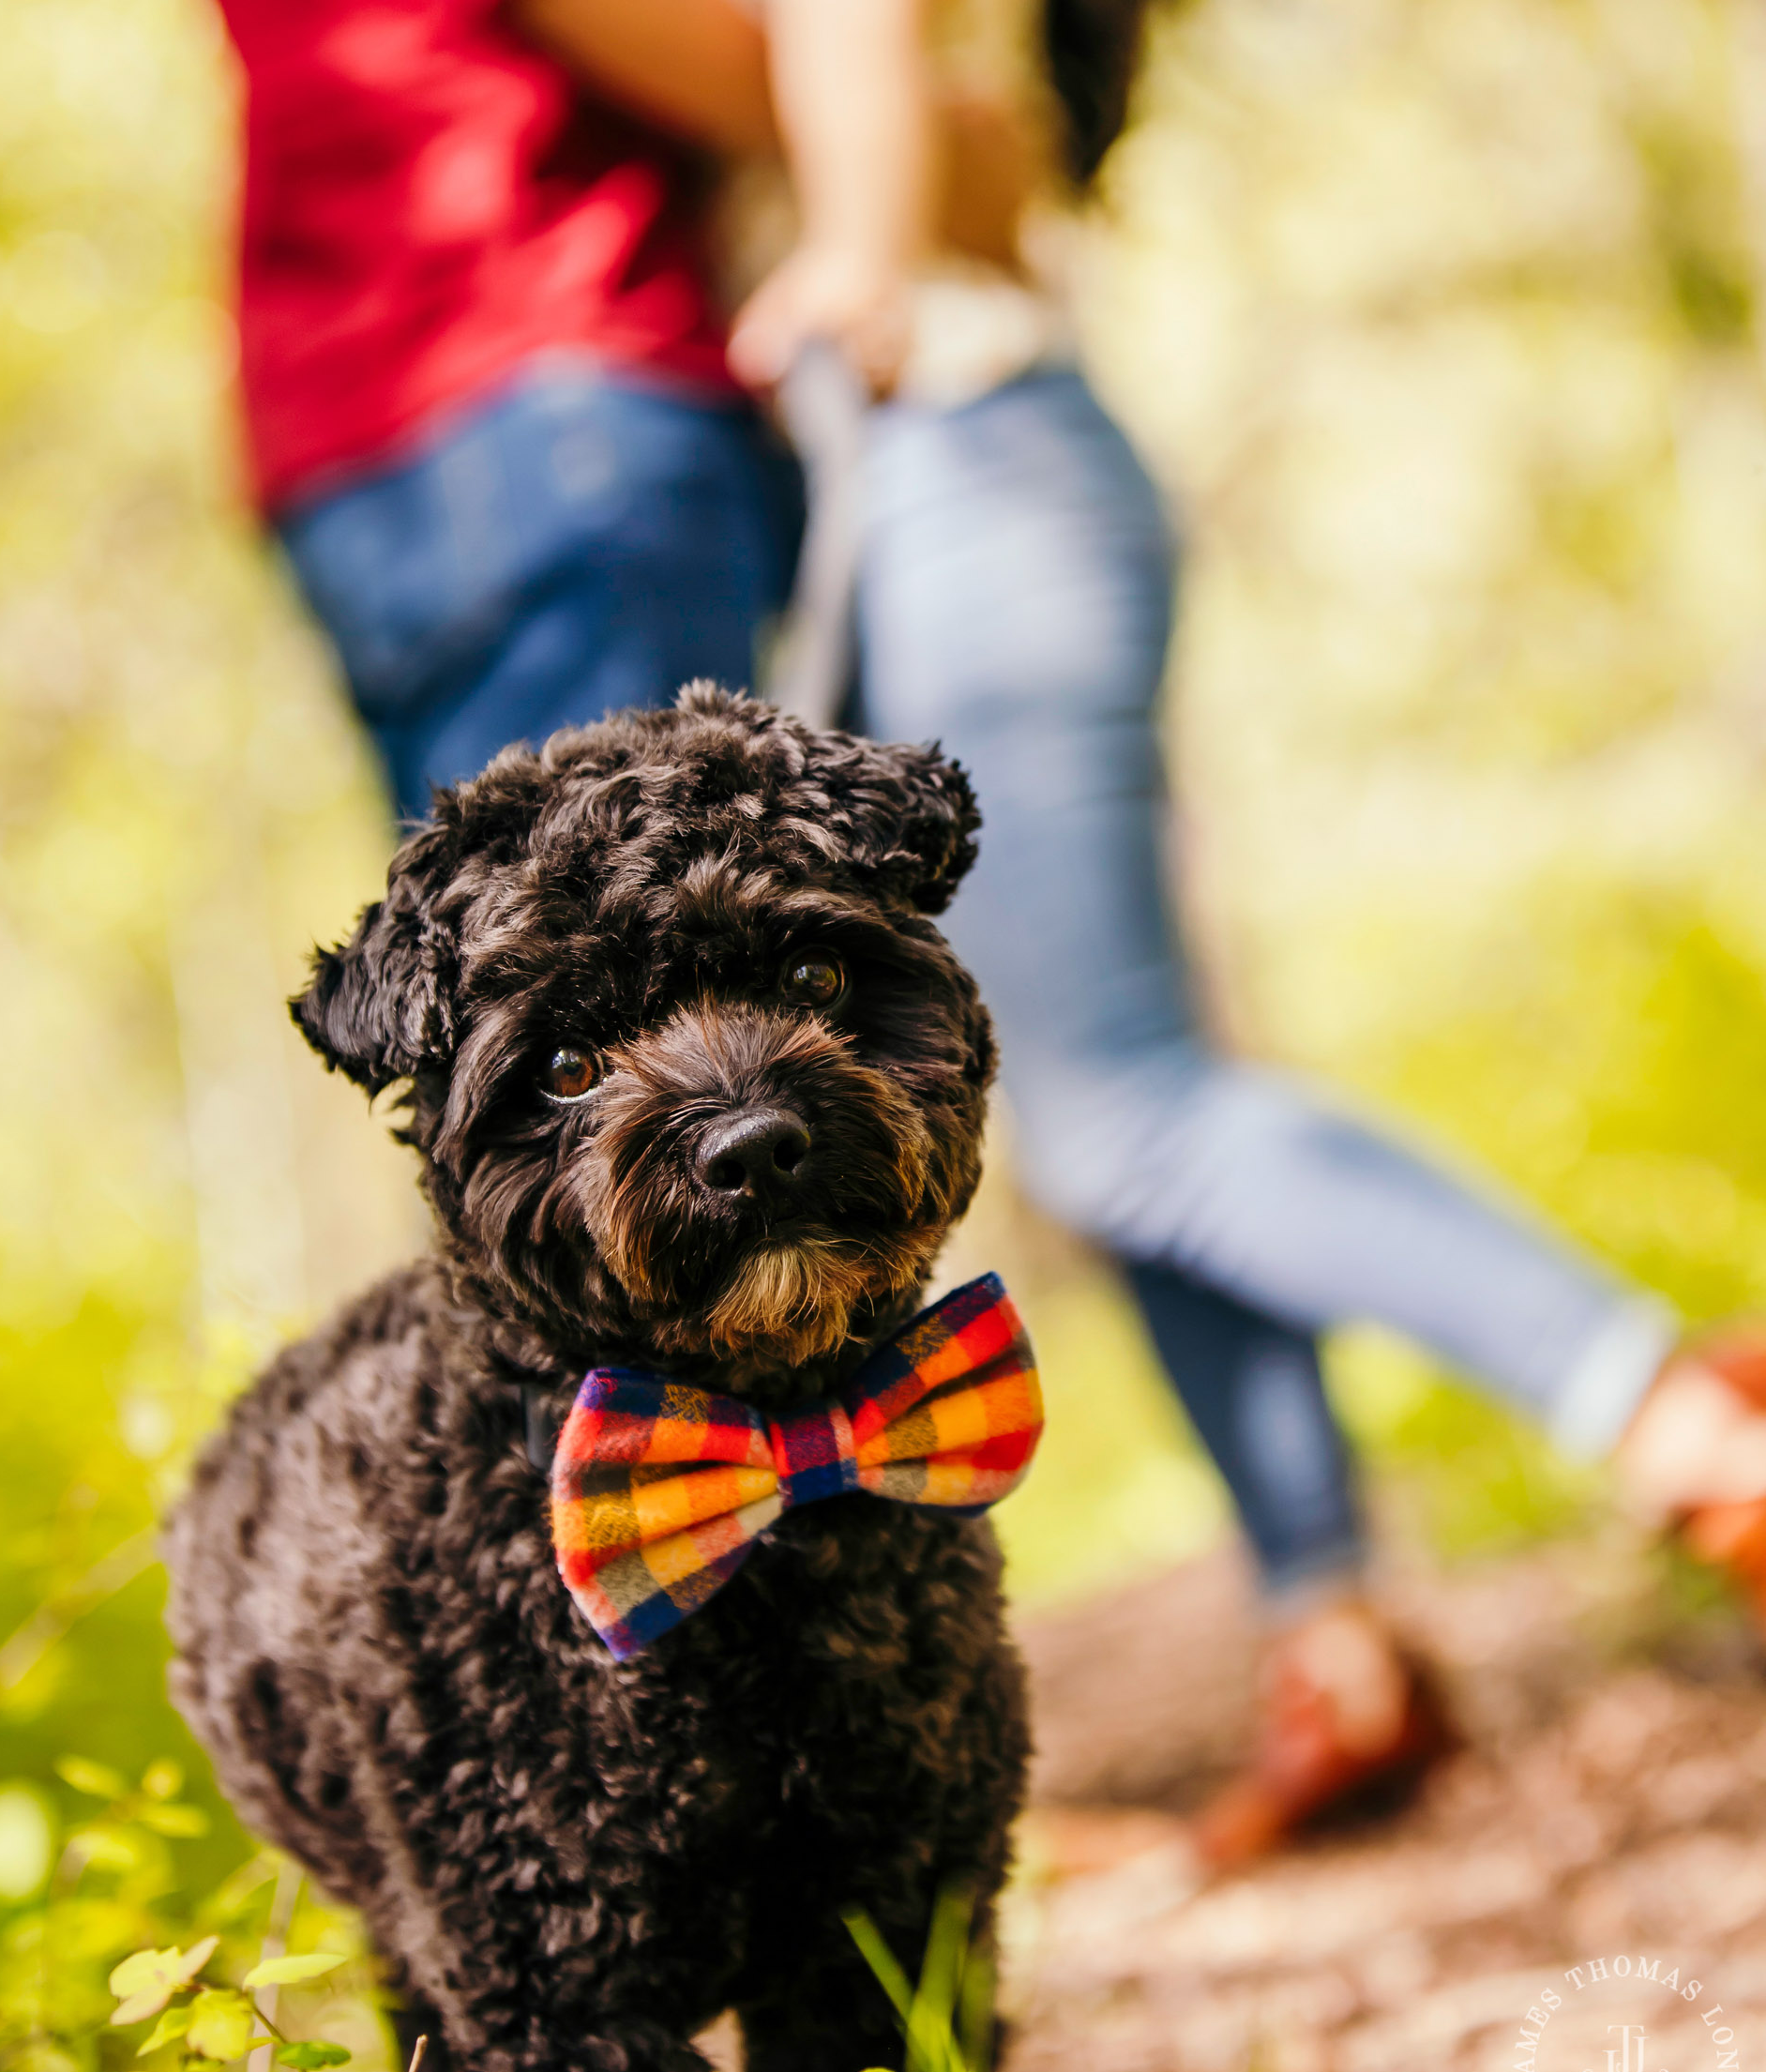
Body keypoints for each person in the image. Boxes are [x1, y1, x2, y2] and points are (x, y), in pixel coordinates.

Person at [719, 0, 1766, 1863]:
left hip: (955, 462)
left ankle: (1679, 1421)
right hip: (958, 478)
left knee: (1126, 1113)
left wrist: (859, 250)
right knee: (1123, 1126)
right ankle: (1330, 1634)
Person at [216, 0, 800, 825]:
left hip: (338, 414)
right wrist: (909, 142)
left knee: (510, 910)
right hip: (543, 351)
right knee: (625, 914)